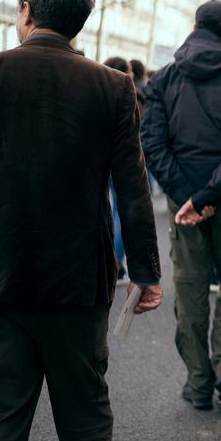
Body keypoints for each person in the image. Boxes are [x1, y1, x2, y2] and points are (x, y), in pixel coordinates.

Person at [0, 0, 162, 441]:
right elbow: (132, 189)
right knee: (84, 419)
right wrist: (146, 272)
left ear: (26, 11)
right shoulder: (111, 86)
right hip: (77, 283)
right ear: (78, 20)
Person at [141, 0, 221, 410]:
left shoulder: (164, 79)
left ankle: (198, 383)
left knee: (192, 287)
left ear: (194, 26)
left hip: (185, 203)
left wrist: (189, 196)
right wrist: (209, 195)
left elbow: (154, 145)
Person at [104, 57, 134, 282]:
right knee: (121, 213)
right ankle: (116, 263)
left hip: (100, 160)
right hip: (123, 161)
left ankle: (109, 262)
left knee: (104, 210)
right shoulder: (130, 94)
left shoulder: (94, 89)